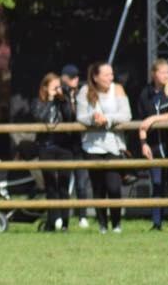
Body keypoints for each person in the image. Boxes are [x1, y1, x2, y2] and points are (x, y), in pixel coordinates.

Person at [76, 62, 131, 233]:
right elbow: (81, 117)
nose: (110, 78)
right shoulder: (85, 91)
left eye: (111, 74)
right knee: (98, 187)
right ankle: (102, 225)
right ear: (95, 77)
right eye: (106, 75)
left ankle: (116, 224)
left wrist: (107, 118)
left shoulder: (118, 89)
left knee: (114, 187)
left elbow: (126, 115)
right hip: (92, 146)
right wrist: (94, 119)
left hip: (113, 146)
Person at [137, 58, 168, 230]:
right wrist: (143, 143)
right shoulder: (145, 94)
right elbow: (141, 123)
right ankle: (157, 223)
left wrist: (154, 118)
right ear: (154, 74)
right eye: (162, 72)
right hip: (154, 146)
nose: (166, 76)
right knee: (156, 183)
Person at [32, 72, 76, 231]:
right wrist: (50, 100)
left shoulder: (62, 102)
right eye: (54, 87)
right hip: (46, 147)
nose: (58, 90)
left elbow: (70, 117)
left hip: (64, 147)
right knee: (51, 186)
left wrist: (63, 100)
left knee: (64, 186)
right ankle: (52, 222)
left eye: (59, 87)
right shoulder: (37, 102)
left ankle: (65, 223)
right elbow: (41, 118)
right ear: (45, 87)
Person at [60, 64, 91, 229]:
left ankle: (83, 215)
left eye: (76, 77)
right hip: (64, 144)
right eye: (72, 78)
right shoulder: (60, 96)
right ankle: (62, 218)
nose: (75, 80)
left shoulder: (83, 94)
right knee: (64, 183)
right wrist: (65, 97)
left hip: (80, 144)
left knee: (81, 182)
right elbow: (65, 115)